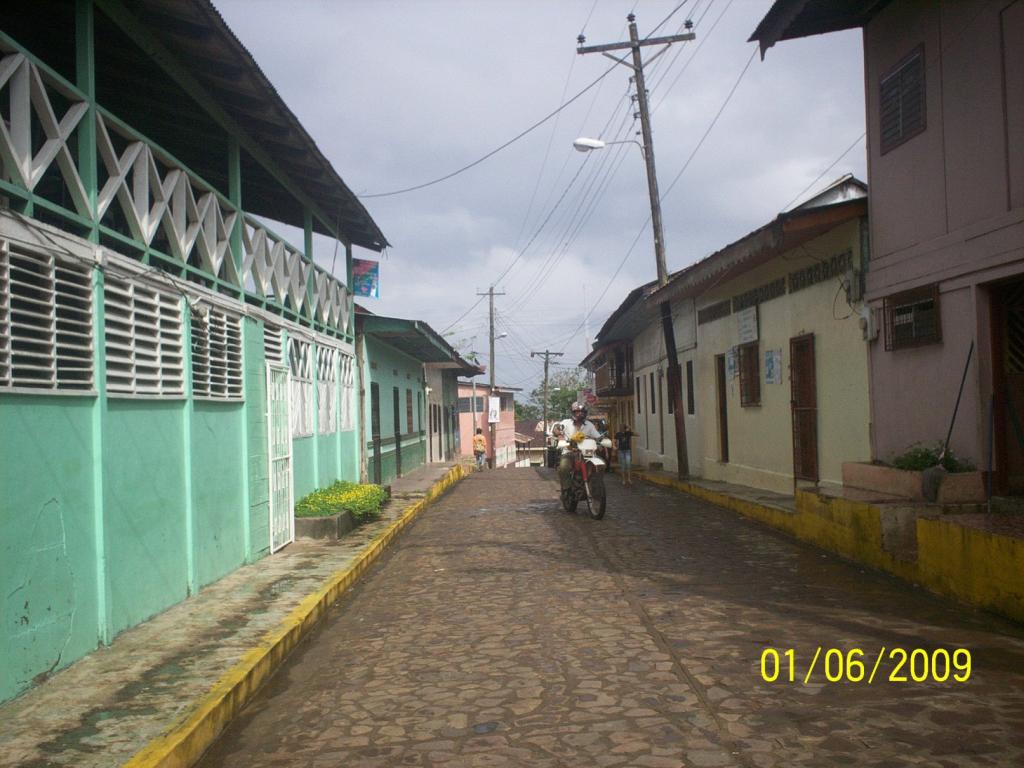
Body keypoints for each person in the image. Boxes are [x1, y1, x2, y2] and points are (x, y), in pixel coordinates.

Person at [553, 402, 602, 495]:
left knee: (600, 464)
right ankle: (566, 488)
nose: (580, 414)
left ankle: (594, 484)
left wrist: (602, 440)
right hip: (569, 452)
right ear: (573, 412)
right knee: (564, 467)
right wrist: (559, 434)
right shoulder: (566, 423)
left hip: (587, 454)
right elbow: (556, 428)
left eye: (582, 412)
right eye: (577, 412)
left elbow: (597, 436)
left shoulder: (589, 425)